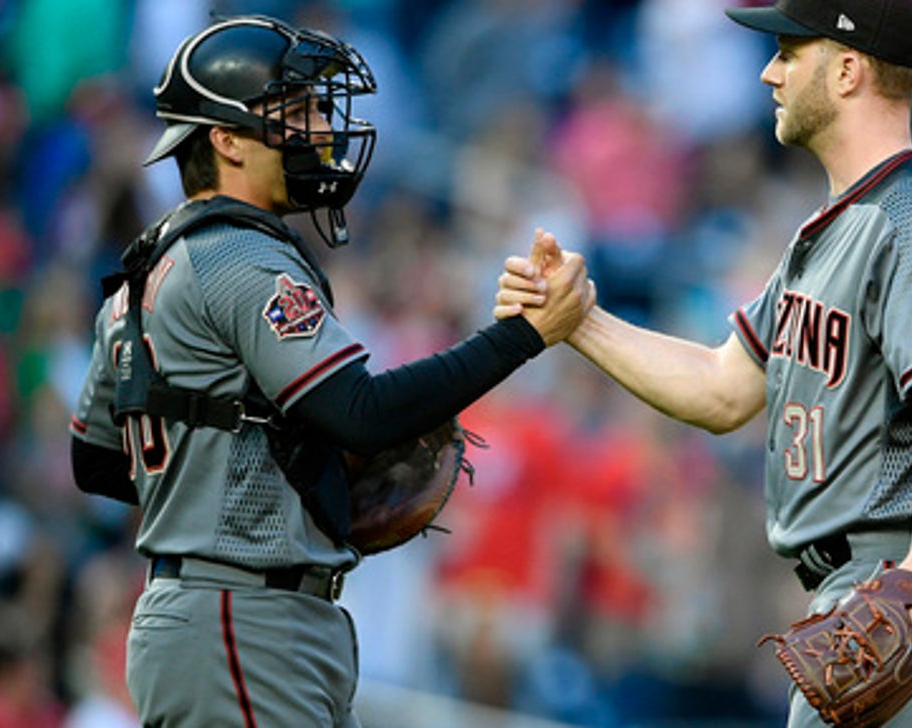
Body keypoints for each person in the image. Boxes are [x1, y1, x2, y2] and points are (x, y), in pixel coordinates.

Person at [495, 0, 912, 725]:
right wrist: (578, 321)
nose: (770, 72)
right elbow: (724, 388)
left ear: (846, 70)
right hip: (886, 580)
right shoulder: (832, 228)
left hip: (911, 577)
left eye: (789, 51)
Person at [68, 14, 590, 728]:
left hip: (219, 615)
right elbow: (362, 413)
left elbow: (97, 461)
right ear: (224, 140)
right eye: (296, 110)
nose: (319, 127)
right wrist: (523, 336)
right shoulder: (239, 256)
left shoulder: (141, 272)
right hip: (242, 621)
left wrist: (246, 469)